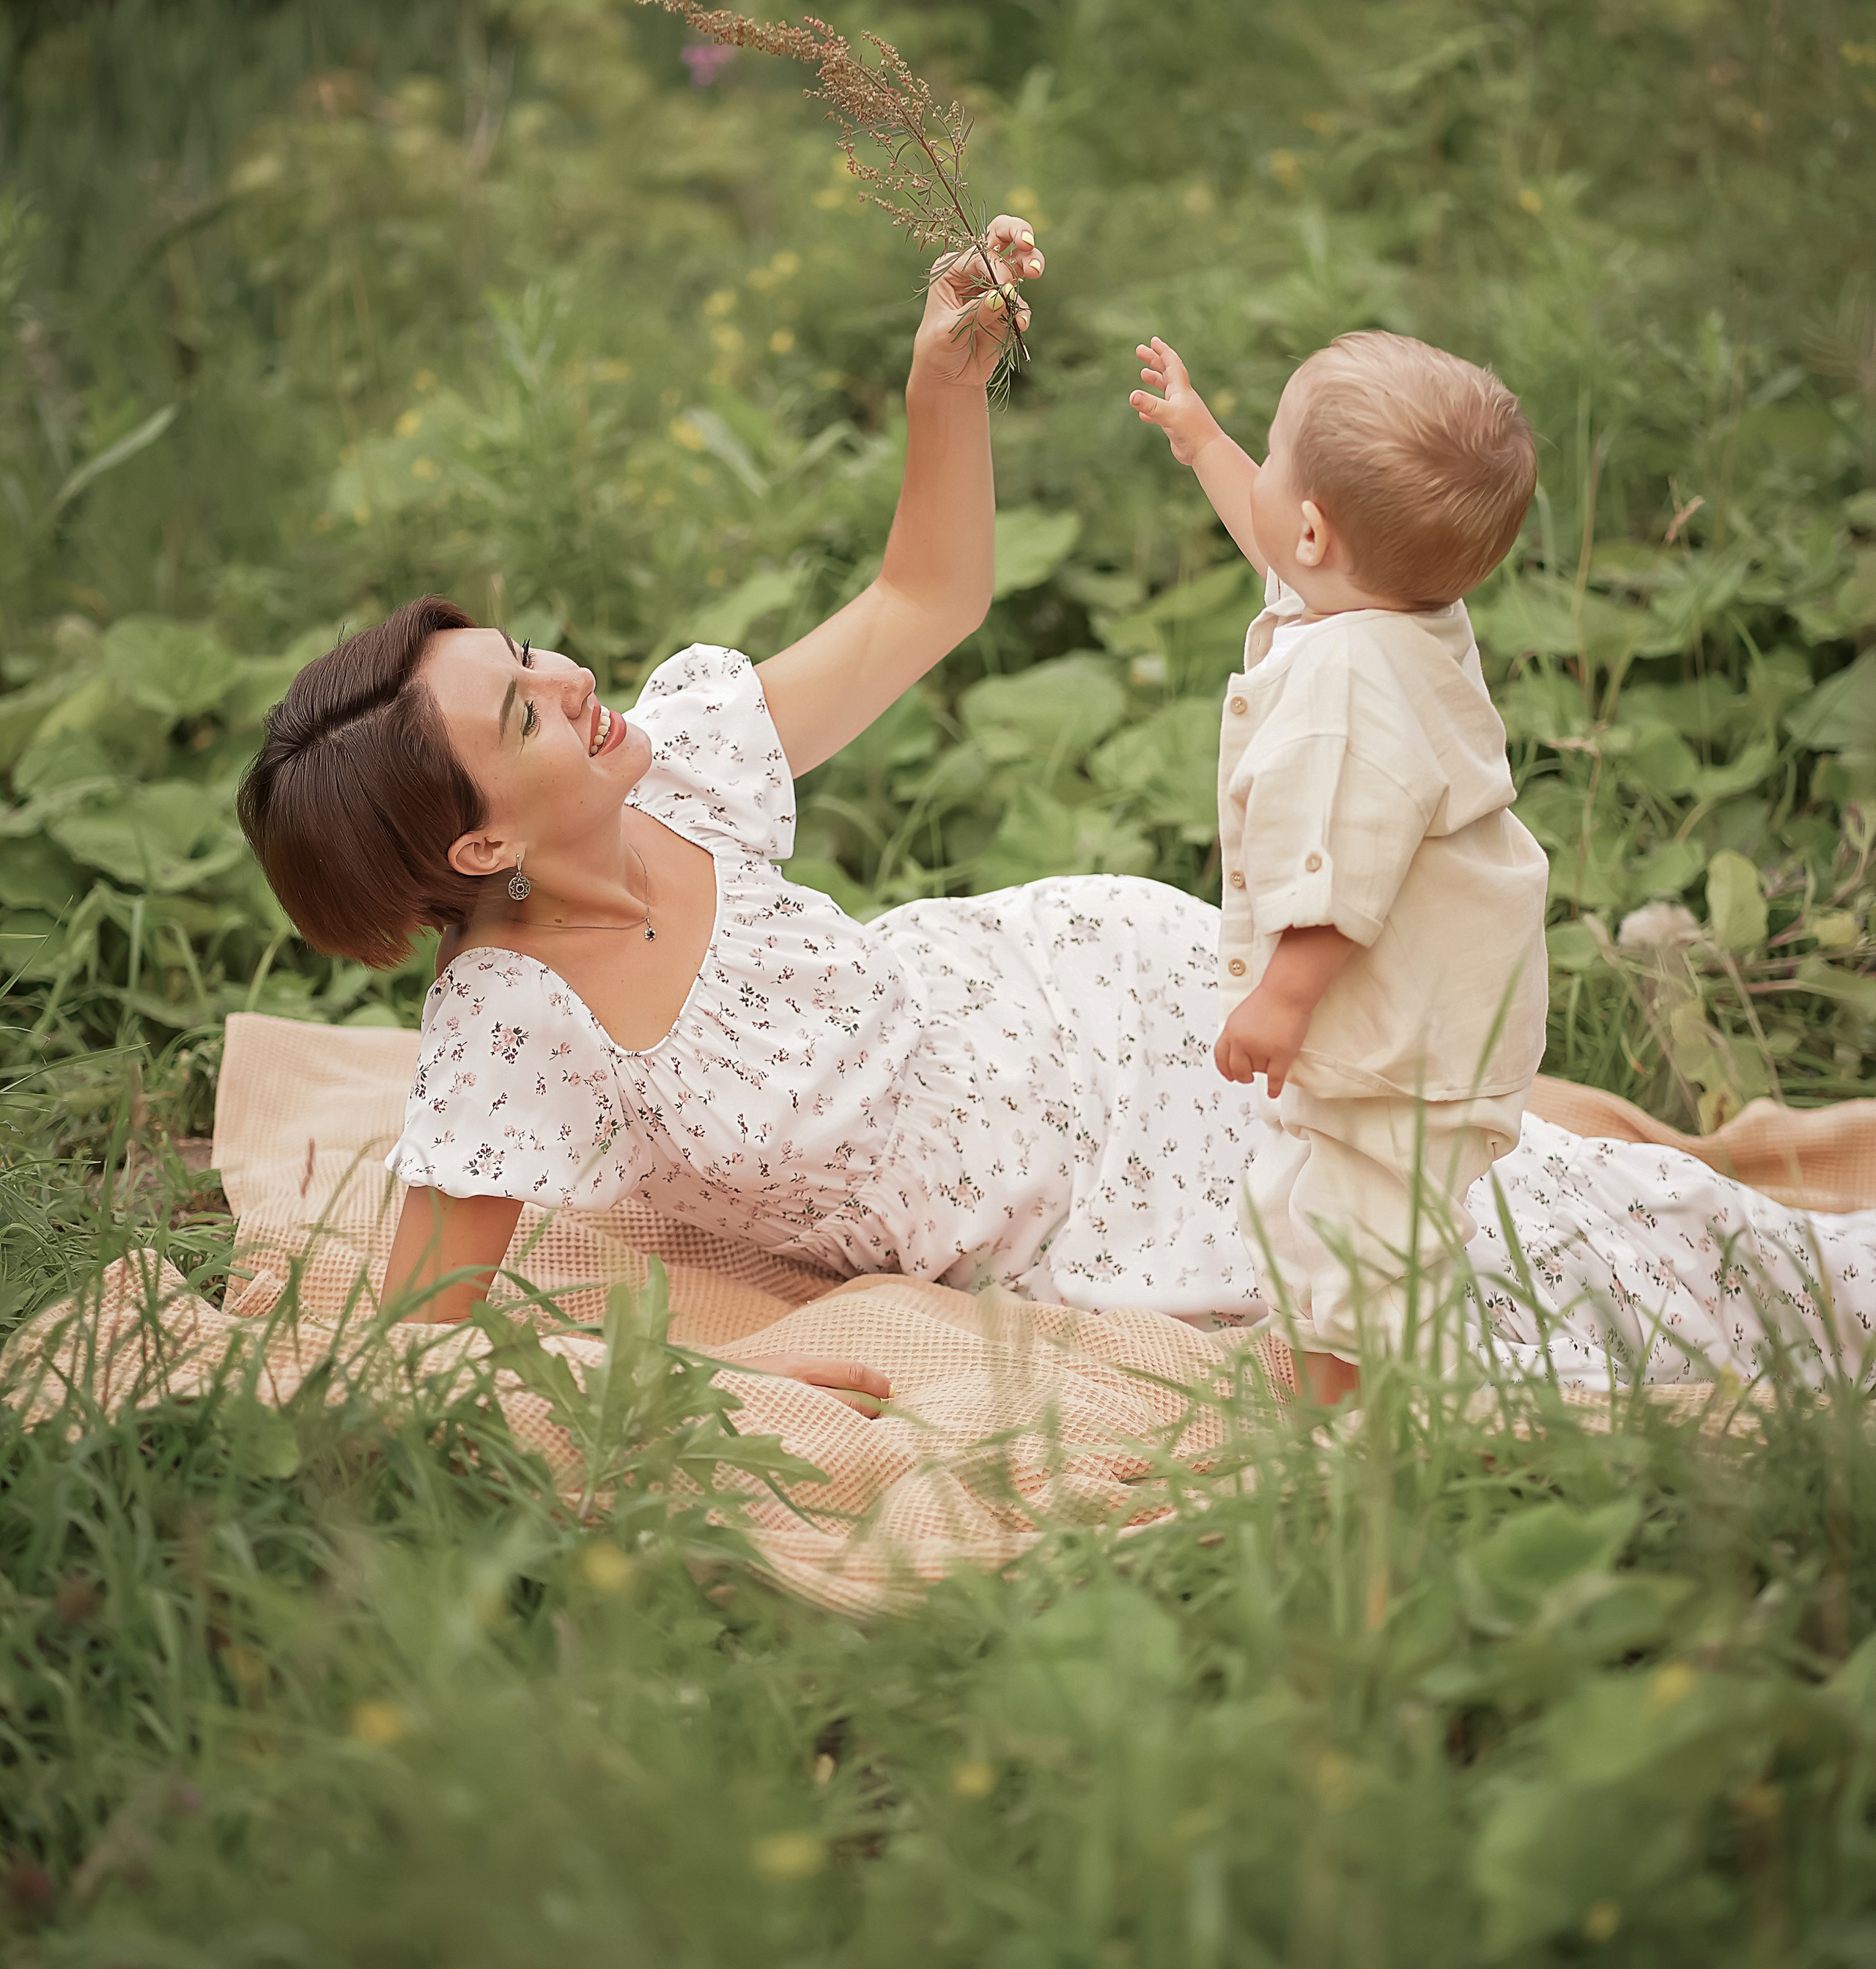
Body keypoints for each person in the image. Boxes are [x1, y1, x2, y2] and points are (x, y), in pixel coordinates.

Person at [237, 233, 1876, 1411]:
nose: (572, 676)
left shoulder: (681, 756)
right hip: (1069, 1205)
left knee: (1527, 1209)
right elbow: (421, 1324)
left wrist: (938, 389)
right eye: (524, 709)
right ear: (472, 850)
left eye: (525, 652)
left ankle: (1828, 1296)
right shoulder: (512, 1027)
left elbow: (922, 598)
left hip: (1095, 994)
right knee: (1462, 1268)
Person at [1129, 328, 1548, 1398]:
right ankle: (1339, 1372)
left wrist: (1281, 998)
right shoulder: (1389, 602)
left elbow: (1340, 872)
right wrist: (1206, 440)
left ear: (1317, 530)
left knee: (1360, 1230)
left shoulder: (1351, 692)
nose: (1258, 476)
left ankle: (1355, 1430)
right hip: (1422, 1002)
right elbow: (1282, 550)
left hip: (1403, 1025)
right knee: (1317, 1201)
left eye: (1270, 455)